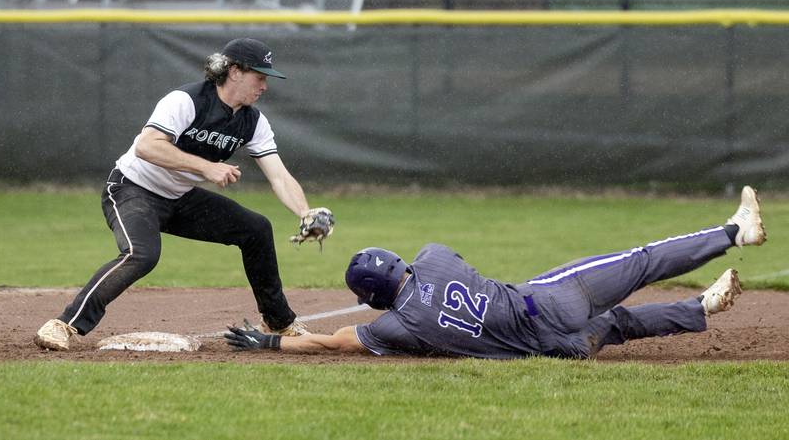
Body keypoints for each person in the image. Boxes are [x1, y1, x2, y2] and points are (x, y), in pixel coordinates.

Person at [225, 186, 766, 359]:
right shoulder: (434, 256)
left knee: (618, 323)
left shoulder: (398, 329)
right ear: (398, 263)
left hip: (561, 349)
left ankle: (699, 309)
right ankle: (730, 234)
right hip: (548, 303)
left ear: (373, 298)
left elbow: (335, 341)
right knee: (642, 261)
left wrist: (272, 345)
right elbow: (443, 273)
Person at [35, 38, 331, 351]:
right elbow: (147, 146)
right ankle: (65, 323)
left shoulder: (252, 121)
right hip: (132, 189)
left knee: (255, 229)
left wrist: (305, 212)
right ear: (235, 72)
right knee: (142, 255)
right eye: (260, 77)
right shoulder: (186, 100)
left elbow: (280, 176)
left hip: (179, 197)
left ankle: (278, 321)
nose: (265, 86)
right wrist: (207, 168)